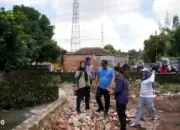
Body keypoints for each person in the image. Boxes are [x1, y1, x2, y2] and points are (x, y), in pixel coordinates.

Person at [114, 66, 129, 130]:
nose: (114, 73)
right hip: (125, 98)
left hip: (120, 99)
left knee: (120, 114)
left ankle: (123, 128)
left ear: (118, 71)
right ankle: (123, 126)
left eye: (115, 71)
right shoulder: (124, 77)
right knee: (123, 113)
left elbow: (118, 90)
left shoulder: (119, 79)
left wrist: (112, 92)